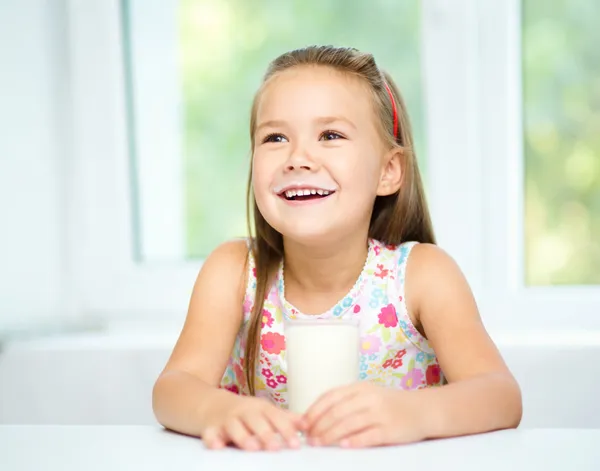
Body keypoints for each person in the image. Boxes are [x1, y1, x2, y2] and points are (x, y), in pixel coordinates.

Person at [152, 45, 522, 451]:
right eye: (275, 137)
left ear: (388, 171)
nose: (298, 158)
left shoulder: (422, 276)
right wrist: (216, 411)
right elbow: (172, 389)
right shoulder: (235, 272)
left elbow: (501, 395)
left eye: (330, 135)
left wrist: (414, 414)